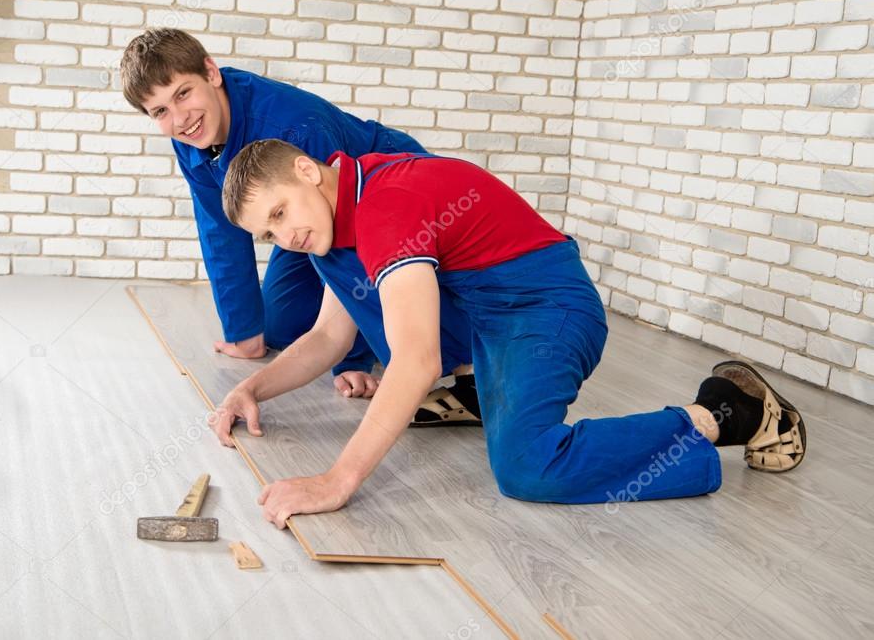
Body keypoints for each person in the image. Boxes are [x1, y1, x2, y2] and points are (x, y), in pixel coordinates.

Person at [211, 139, 807, 529]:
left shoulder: (385, 205)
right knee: (379, 322)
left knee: (527, 467)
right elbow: (328, 339)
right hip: (488, 317)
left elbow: (415, 361)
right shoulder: (333, 227)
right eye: (268, 232)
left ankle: (730, 414)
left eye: (282, 211)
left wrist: (337, 480)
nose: (283, 236)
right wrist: (253, 390)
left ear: (307, 171)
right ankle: (481, 391)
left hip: (547, 308)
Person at [120, 29, 479, 423]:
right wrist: (243, 331)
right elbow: (219, 228)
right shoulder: (188, 136)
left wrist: (350, 360)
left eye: (183, 94)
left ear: (211, 72)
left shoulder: (294, 125)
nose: (180, 118)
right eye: (160, 112)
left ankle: (455, 352)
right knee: (279, 326)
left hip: (376, 208)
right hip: (304, 220)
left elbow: (346, 246)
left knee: (395, 308)